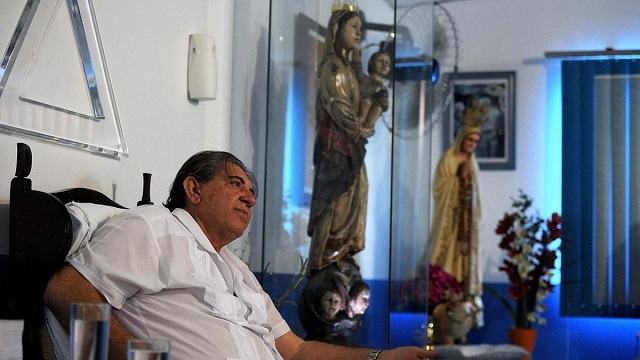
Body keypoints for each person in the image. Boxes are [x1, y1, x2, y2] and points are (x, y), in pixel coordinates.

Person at [44, 150, 437, 359]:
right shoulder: (152, 228)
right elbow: (65, 291)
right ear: (193, 190)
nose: (249, 197)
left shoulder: (237, 270)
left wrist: (379, 359)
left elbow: (296, 351)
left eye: (252, 192)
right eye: (236, 185)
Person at [307, 7, 373, 274]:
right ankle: (326, 256)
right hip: (335, 147)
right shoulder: (331, 67)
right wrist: (359, 127)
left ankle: (344, 251)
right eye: (353, 27)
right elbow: (336, 105)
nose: (359, 33)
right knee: (337, 201)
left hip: (350, 147)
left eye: (360, 28)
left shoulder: (347, 68)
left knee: (359, 189)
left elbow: (364, 94)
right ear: (336, 30)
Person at [425, 118, 485, 328]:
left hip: (467, 226)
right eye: (469, 139)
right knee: (444, 258)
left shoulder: (473, 162)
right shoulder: (448, 160)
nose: (472, 144)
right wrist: (459, 179)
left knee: (465, 264)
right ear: (462, 139)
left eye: (476, 141)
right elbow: (439, 189)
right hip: (449, 225)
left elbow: (476, 196)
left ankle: (461, 314)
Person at [358, 50, 391, 129]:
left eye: (387, 63)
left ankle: (368, 126)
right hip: (361, 104)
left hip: (373, 109)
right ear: (371, 63)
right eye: (380, 61)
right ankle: (360, 120)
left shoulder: (383, 87)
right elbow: (357, 70)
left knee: (378, 109)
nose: (384, 64)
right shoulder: (364, 79)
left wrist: (383, 102)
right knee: (366, 102)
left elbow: (384, 104)